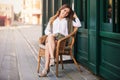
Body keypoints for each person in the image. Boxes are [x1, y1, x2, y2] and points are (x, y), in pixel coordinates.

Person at [39, 4, 81, 77]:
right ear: (61, 9)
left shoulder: (68, 21)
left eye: (67, 12)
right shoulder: (53, 19)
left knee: (48, 44)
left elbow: (78, 25)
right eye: (64, 11)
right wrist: (52, 35)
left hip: (62, 40)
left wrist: (76, 17)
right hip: (53, 38)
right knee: (49, 39)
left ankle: (46, 69)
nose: (65, 13)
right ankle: (51, 61)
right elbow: (46, 30)